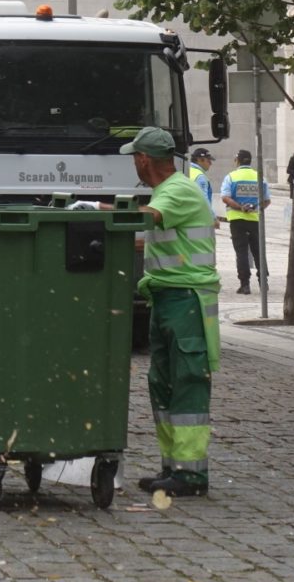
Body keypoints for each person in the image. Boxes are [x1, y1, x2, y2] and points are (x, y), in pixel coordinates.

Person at [74, 127, 219, 497]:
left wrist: (97, 209)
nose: (133, 164)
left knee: (186, 385)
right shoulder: (168, 191)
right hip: (168, 297)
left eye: (133, 158)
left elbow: (147, 218)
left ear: (143, 159)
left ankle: (190, 474)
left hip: (187, 300)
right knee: (164, 383)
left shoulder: (178, 191)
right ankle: (174, 468)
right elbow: (149, 231)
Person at [220, 149, 269, 296]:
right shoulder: (259, 177)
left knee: (241, 252)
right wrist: (255, 207)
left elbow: (225, 197)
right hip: (255, 219)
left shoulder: (231, 177)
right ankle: (263, 283)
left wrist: (240, 207)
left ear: (237, 160)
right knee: (258, 251)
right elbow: (267, 200)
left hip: (237, 220)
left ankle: (245, 285)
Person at [188, 148, 219, 224]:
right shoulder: (199, 176)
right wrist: (213, 218)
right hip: (198, 218)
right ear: (200, 160)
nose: (210, 163)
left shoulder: (186, 171)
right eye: (208, 160)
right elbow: (204, 200)